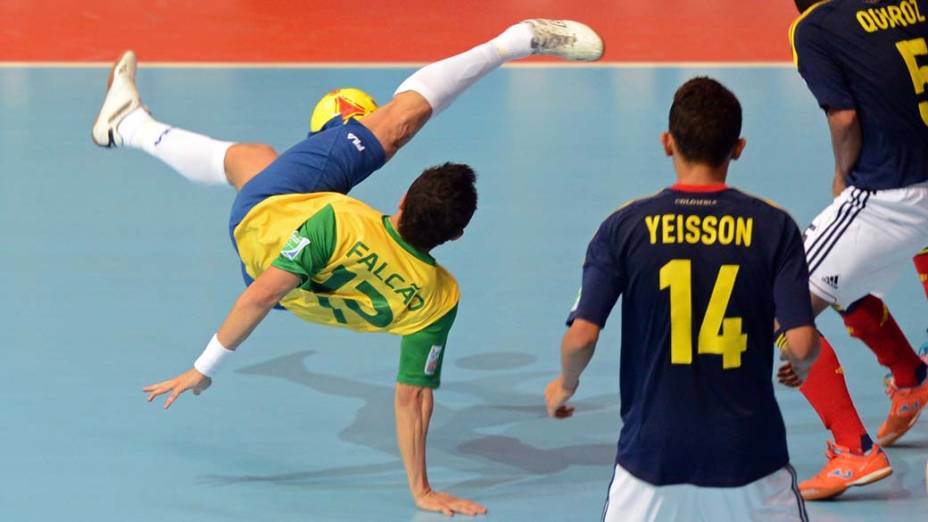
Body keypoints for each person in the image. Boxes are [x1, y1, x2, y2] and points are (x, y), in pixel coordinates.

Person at [90, 19, 603, 517]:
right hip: (282, 276)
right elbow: (414, 398)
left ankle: (513, 41)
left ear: (401, 198)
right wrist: (422, 490)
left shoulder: (336, 218)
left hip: (273, 217)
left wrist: (203, 369)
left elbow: (259, 299)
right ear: (457, 237)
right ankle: (128, 124)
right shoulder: (437, 297)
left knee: (392, 124)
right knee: (255, 158)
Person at [544, 77, 819, 522]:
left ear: (667, 143)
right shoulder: (774, 227)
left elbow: (581, 339)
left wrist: (565, 386)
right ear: (739, 147)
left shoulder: (623, 228)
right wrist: (800, 366)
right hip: (750, 460)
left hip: (650, 464)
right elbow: (802, 344)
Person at [785, 0, 928, 500]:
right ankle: (911, 375)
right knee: (846, 273)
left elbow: (844, 117)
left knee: (781, 303)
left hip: (890, 197)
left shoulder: (815, 27)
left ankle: (854, 450)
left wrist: (844, 174)